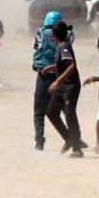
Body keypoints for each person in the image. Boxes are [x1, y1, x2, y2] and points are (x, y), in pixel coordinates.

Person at [41, 18, 83, 155]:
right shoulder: (60, 46)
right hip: (62, 87)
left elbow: (71, 65)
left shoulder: (64, 46)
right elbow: (63, 63)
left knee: (70, 115)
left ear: (54, 34)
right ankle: (68, 139)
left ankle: (77, 149)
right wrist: (51, 67)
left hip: (70, 86)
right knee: (51, 112)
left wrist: (57, 82)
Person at [31, 9, 63, 151]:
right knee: (64, 109)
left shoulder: (40, 33)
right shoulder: (65, 35)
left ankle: (39, 141)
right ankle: (73, 137)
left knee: (39, 111)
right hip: (59, 76)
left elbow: (36, 48)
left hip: (43, 75)